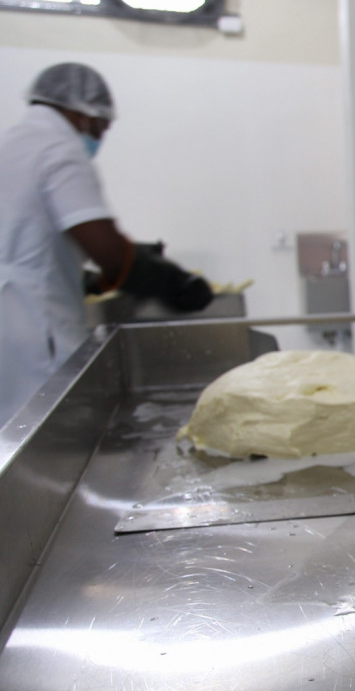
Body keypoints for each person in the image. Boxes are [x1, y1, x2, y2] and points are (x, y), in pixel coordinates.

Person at [0, 63, 213, 426]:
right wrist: (172, 282)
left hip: (11, 321)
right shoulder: (59, 151)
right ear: (84, 115)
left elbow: (24, 242)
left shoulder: (12, 144)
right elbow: (107, 250)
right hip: (31, 325)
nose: (99, 138)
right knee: (46, 431)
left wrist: (87, 281)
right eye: (102, 128)